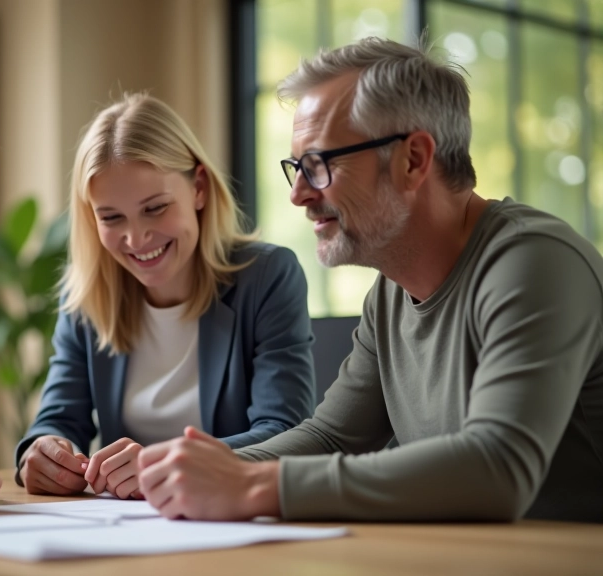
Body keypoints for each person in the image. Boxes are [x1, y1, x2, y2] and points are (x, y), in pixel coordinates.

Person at [137, 37, 603, 523]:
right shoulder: (391, 292)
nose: (298, 194)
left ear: (413, 160)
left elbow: (498, 467)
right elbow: (331, 437)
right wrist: (174, 471)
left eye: (319, 164)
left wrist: (253, 485)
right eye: (297, 168)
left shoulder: (536, 262)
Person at [16, 93, 315, 499]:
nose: (136, 238)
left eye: (155, 208)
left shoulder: (268, 277)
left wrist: (167, 463)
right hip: (126, 524)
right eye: (111, 217)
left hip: (229, 517)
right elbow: (58, 422)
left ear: (199, 188)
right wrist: (43, 453)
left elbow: (285, 433)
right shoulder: (86, 297)